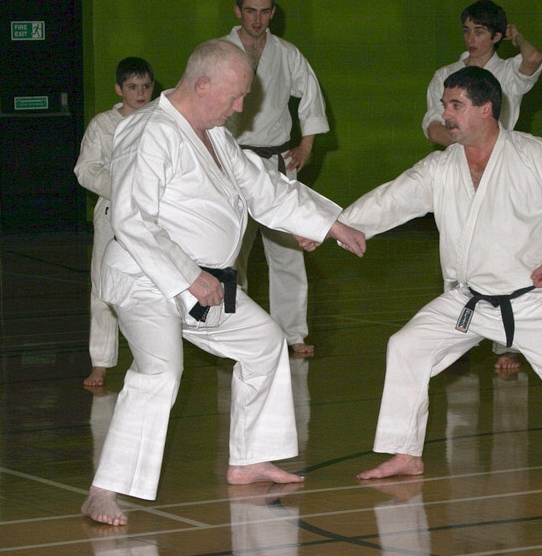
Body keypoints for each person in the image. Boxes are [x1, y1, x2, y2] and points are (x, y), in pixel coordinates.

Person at [325, 66, 542, 480]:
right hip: (470, 301)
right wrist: (332, 225)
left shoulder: (532, 154)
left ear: (486, 109)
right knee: (406, 347)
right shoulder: (441, 166)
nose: (445, 115)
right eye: (445, 105)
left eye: (456, 105)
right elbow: (390, 199)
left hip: (535, 302)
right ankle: (406, 453)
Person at [81, 40, 365, 526]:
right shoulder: (149, 131)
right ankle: (103, 491)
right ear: (202, 84)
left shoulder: (214, 134)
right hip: (146, 278)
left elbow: (263, 187)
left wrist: (329, 224)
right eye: (234, 97)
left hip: (202, 281)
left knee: (264, 342)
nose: (239, 108)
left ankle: (250, 459)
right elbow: (131, 219)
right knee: (160, 371)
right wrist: (190, 276)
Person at [421, 0, 542, 372]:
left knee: (504, 253)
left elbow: (534, 58)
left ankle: (507, 342)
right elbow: (432, 126)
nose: (471, 38)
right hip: (460, 168)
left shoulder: (507, 72)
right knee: (457, 252)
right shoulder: (447, 74)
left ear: (496, 36)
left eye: (480, 31)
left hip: (502, 170)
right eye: (466, 30)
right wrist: (464, 140)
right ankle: (456, 337)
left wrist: (516, 36)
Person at [222, 0, 330, 357]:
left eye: (265, 11)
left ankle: (293, 332)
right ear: (238, 11)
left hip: (279, 162)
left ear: (273, 13)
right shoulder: (219, 52)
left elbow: (311, 96)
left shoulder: (286, 53)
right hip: (234, 163)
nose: (257, 18)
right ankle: (232, 330)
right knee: (230, 252)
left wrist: (306, 146)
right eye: (250, 10)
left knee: (288, 251)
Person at [74, 57, 155, 387]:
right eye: (133, 87)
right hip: (112, 213)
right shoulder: (102, 125)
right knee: (103, 288)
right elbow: (85, 170)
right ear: (119, 89)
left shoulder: (161, 121)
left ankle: (149, 358)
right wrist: (122, 188)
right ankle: (100, 363)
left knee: (152, 287)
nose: (140, 93)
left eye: (146, 86)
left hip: (154, 216)